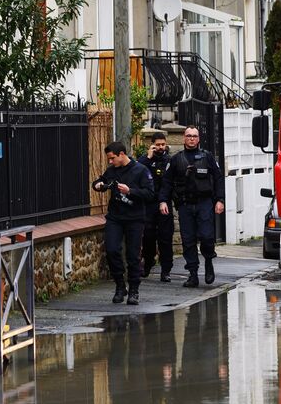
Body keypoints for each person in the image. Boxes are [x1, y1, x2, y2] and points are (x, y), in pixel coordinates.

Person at [159, 127, 225, 288]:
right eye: (188, 136)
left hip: (204, 203)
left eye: (194, 136)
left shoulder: (207, 157)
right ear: (184, 138)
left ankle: (208, 260)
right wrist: (162, 201)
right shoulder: (176, 160)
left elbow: (218, 179)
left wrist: (220, 200)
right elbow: (167, 183)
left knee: (207, 237)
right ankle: (193, 274)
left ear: (198, 139)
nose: (191, 139)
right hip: (185, 204)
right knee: (188, 240)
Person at [92, 141, 155, 305]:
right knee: (112, 250)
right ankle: (120, 286)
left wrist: (130, 191)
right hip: (115, 217)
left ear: (121, 154)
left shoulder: (140, 170)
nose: (110, 162)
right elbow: (100, 181)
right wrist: (98, 185)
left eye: (112, 158)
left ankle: (134, 289)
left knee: (133, 255)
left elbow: (149, 194)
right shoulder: (112, 170)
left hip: (135, 218)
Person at [137, 133, 174, 282]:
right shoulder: (145, 160)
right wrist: (148, 157)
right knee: (148, 237)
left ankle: (166, 270)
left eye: (162, 145)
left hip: (164, 204)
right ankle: (148, 262)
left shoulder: (169, 161)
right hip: (149, 205)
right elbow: (137, 170)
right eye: (157, 145)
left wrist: (164, 200)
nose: (160, 147)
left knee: (165, 238)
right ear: (152, 145)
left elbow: (171, 181)